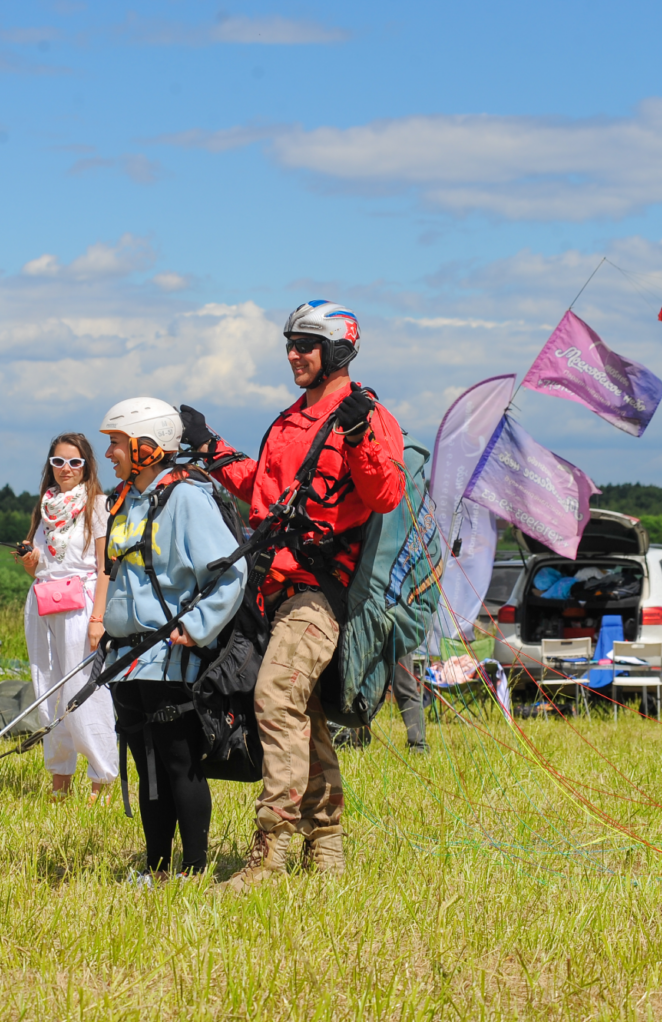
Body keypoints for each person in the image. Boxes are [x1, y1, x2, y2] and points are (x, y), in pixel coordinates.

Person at [180, 299, 405, 890]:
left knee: (276, 696)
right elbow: (265, 491)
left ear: (336, 350)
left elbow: (385, 494)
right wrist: (211, 449)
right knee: (302, 714)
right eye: (289, 344)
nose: (293, 355)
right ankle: (326, 850)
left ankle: (271, 853)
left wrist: (358, 435)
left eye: (305, 344)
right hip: (273, 588)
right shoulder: (288, 420)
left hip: (320, 593)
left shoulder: (366, 415)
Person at [97, 397, 247, 881]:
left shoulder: (186, 499)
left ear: (147, 447)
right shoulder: (125, 501)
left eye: (116, 444)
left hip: (171, 657)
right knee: (146, 766)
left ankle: (194, 869)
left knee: (179, 762)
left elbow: (231, 571)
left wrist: (197, 625)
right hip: (127, 657)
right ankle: (156, 867)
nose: (110, 454)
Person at [18, 433, 118, 803]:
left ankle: (101, 779)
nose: (65, 470)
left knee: (85, 691)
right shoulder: (46, 507)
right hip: (44, 600)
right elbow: (41, 568)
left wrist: (99, 616)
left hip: (82, 601)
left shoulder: (98, 505)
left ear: (87, 466)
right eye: (58, 462)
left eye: (74, 462)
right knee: (48, 689)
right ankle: (60, 778)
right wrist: (31, 561)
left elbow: (105, 565)